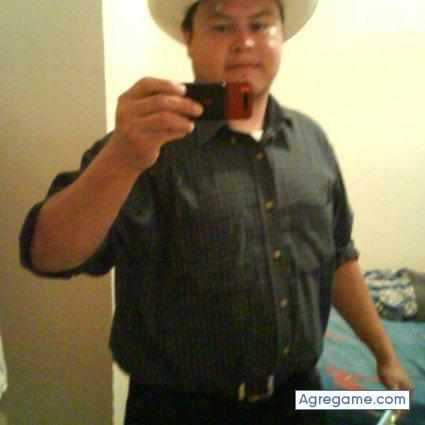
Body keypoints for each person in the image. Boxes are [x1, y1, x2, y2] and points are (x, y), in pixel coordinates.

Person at [19, 0, 413, 423]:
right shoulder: (143, 146)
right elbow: (48, 256)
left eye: (260, 25)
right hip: (179, 410)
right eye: (222, 27)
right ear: (189, 39)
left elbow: (338, 255)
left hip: (299, 398)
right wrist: (120, 158)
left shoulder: (311, 141)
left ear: (282, 35)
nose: (244, 42)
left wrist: (385, 354)